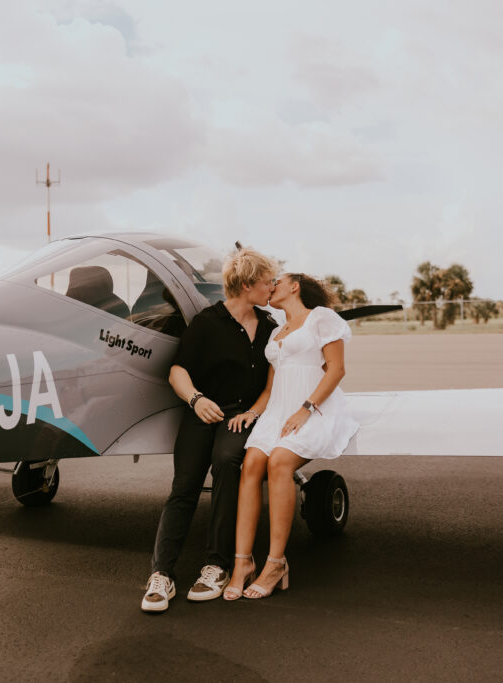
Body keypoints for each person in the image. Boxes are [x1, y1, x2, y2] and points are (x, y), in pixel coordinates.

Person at [141, 248, 278, 613]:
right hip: (203, 410)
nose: (272, 287)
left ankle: (216, 565)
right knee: (184, 487)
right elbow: (178, 370)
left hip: (243, 416)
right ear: (248, 284)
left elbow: (271, 385)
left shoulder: (269, 328)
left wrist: (251, 413)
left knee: (227, 462)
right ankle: (161, 574)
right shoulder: (207, 322)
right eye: (267, 282)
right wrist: (196, 399)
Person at [222, 273, 358, 600]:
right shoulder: (277, 331)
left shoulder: (321, 318)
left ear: (294, 286)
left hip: (313, 408)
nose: (271, 286)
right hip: (276, 412)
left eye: (277, 281)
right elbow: (270, 387)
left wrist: (306, 408)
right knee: (252, 463)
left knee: (280, 462)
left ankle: (275, 563)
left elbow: (336, 369)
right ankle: (242, 562)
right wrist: (252, 414)